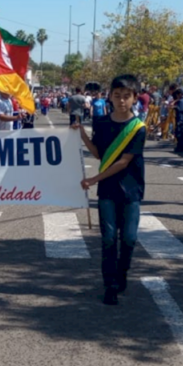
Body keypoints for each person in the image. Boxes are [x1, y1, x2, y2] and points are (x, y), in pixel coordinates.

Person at [71, 74, 146, 306]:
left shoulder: (138, 128)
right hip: (107, 191)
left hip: (131, 189)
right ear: (110, 96)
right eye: (117, 96)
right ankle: (110, 285)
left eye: (126, 96)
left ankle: (122, 272)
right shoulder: (102, 123)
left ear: (134, 98)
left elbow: (123, 162)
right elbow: (99, 154)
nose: (121, 100)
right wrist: (82, 133)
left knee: (130, 239)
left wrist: (94, 178)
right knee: (108, 239)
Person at [171, 86, 183, 152]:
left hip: (181, 119)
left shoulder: (181, 101)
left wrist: (174, 107)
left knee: (180, 134)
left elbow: (180, 109)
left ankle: (180, 146)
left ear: (180, 94)